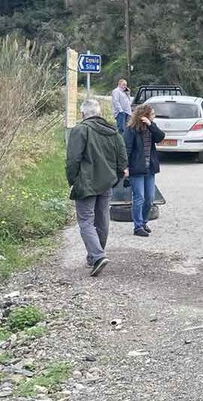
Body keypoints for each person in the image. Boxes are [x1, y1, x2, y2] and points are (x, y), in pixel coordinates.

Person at [66, 98, 127, 277]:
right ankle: (95, 256)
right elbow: (122, 158)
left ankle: (98, 255)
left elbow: (73, 159)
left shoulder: (80, 130)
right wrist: (116, 177)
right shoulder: (113, 131)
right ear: (99, 113)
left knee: (86, 220)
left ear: (82, 113)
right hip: (106, 182)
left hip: (86, 182)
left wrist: (72, 180)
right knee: (102, 218)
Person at [124, 103, 164, 238]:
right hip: (136, 168)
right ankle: (138, 226)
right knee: (139, 197)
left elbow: (160, 137)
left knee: (150, 198)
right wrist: (125, 167)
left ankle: (144, 222)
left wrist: (151, 125)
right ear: (144, 115)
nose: (154, 116)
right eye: (152, 114)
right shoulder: (131, 129)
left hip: (149, 168)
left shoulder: (152, 127)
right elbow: (127, 148)